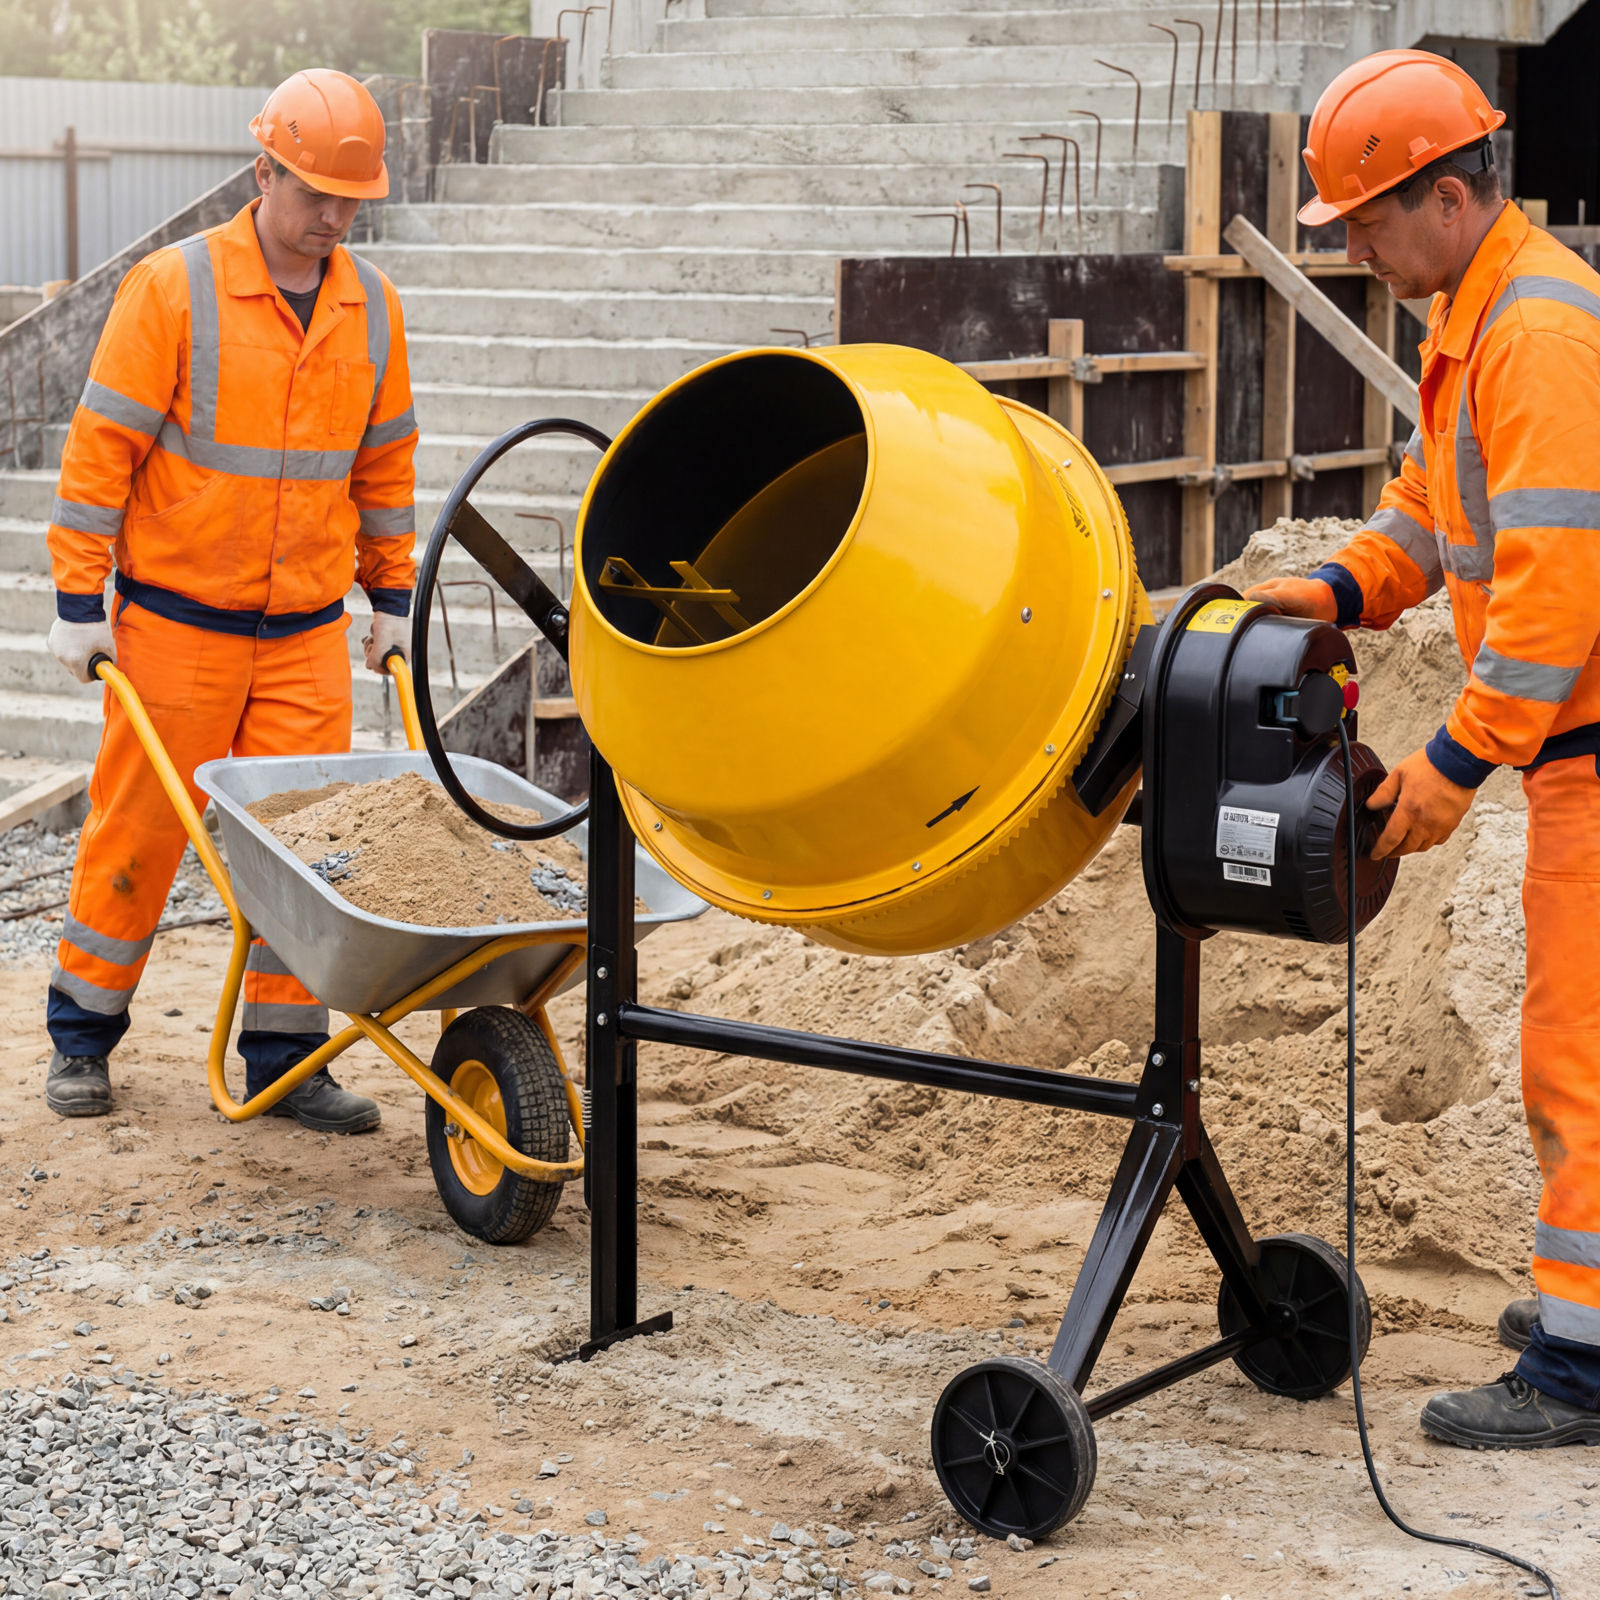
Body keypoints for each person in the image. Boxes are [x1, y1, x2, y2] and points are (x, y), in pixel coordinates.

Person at [1244, 48, 1600, 1447]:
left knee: (1577, 1052)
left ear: (1447, 197)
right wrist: (1339, 587)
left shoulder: (1536, 336)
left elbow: (1554, 596)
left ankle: (1581, 1365)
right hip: (1571, 752)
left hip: (1586, 748)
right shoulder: (1477, 313)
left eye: (1368, 223)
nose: (1357, 252)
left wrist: (1454, 763)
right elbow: (1427, 507)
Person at [42, 69, 417, 1134]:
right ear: (263, 174)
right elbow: (102, 449)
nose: (333, 219)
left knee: (304, 850)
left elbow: (384, 466)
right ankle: (82, 1037)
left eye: (350, 202)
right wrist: (78, 596)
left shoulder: (373, 308)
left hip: (305, 636)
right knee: (138, 832)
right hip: (178, 628)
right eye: (315, 195)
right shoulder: (174, 287)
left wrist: (391, 592)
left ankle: (285, 1062)